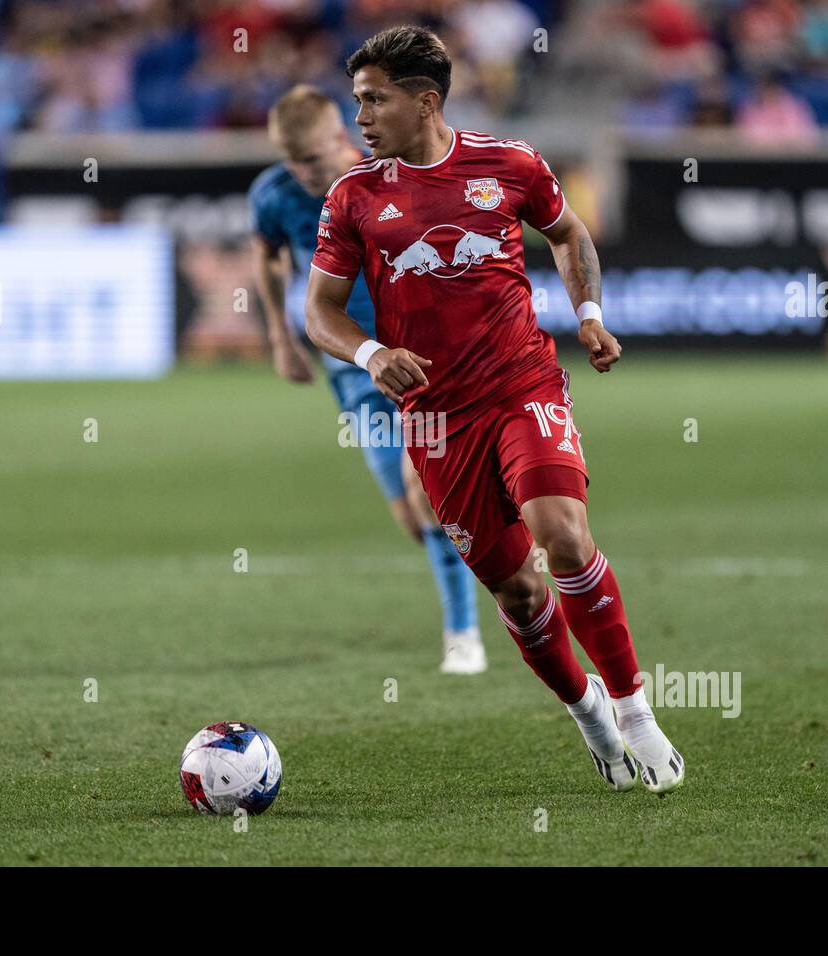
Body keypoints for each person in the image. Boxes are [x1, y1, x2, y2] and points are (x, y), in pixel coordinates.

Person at [304, 27, 684, 792]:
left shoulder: (509, 165)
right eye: (357, 102)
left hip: (522, 384)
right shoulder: (353, 196)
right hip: (436, 418)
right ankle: (590, 719)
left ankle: (638, 713)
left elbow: (569, 232)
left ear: (426, 100)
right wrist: (372, 354)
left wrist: (589, 314)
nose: (362, 118)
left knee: (563, 536)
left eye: (375, 100)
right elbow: (320, 311)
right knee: (517, 588)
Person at [249, 85, 484, 673]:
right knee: (411, 517)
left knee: (425, 493)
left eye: (309, 159)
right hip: (350, 368)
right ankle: (498, 551)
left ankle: (464, 635)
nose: (300, 173)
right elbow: (267, 257)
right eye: (290, 161)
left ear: (338, 138)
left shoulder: (388, 181)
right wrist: (280, 337)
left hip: (417, 361)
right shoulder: (274, 195)